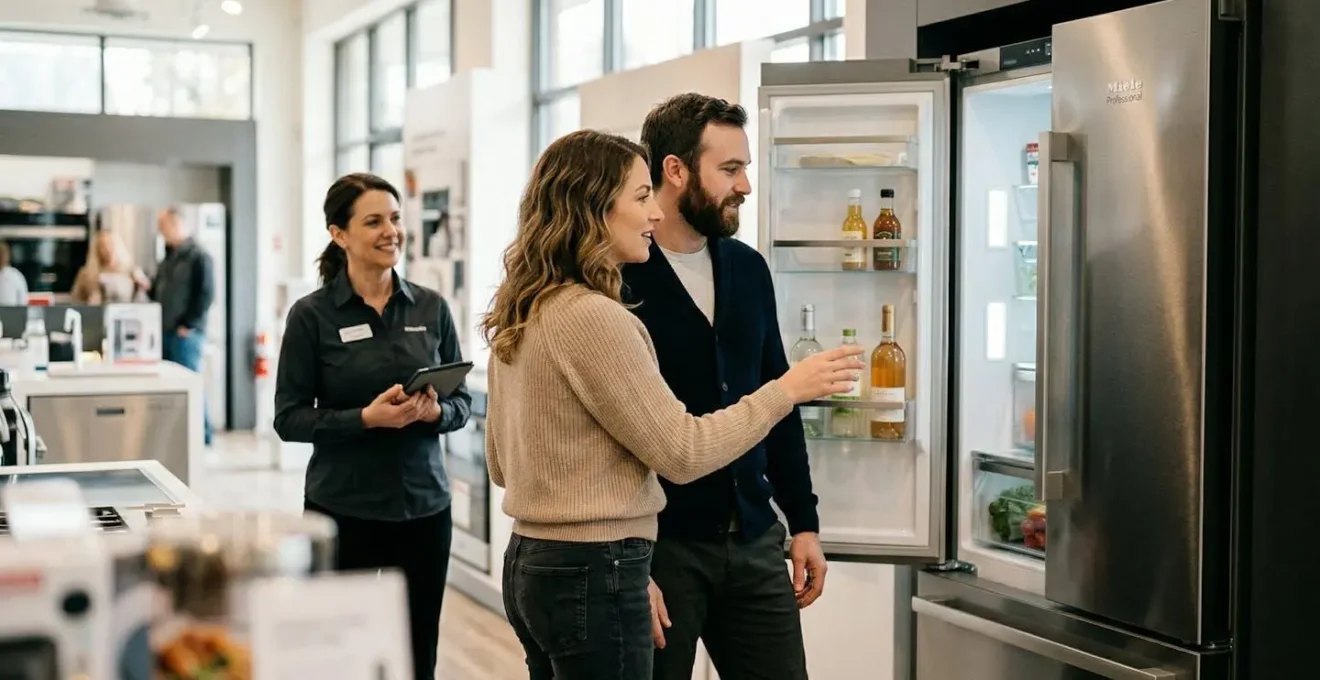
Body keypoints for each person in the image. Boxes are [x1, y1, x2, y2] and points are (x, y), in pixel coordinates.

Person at [480, 129, 864, 679]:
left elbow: (501, 463)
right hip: (601, 564)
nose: (653, 214)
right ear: (593, 207)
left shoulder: (527, 307)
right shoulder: (597, 316)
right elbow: (682, 452)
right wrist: (788, 390)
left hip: (536, 563)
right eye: (640, 197)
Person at [624, 93, 825, 680]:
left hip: (755, 538)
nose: (745, 186)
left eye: (746, 169)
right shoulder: (618, 276)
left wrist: (803, 521)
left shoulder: (747, 268)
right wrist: (629, 563)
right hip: (662, 548)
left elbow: (777, 402)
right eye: (730, 170)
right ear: (676, 170)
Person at [273, 172, 471, 680]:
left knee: (417, 651)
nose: (392, 231)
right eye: (374, 221)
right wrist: (365, 418)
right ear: (339, 235)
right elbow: (288, 417)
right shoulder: (311, 316)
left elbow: (461, 403)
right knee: (341, 653)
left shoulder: (431, 307)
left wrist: (435, 412)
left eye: (396, 218)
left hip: (424, 511)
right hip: (343, 512)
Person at [138, 207, 215, 445]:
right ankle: (179, 437)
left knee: (191, 385)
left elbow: (206, 294)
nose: (162, 233)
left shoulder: (199, 256)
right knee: (171, 387)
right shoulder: (168, 258)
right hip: (164, 332)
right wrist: (145, 285)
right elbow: (158, 293)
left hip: (185, 335)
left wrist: (187, 324)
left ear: (176, 224)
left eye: (164, 228)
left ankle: (203, 438)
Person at [71, 228, 149, 303]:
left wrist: (140, 285)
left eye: (110, 244)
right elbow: (75, 301)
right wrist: (89, 304)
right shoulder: (86, 274)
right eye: (102, 246)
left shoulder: (130, 270)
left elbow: (143, 296)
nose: (107, 249)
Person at [0, 240, 27, 305]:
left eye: (4, 253)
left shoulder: (16, 276)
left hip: (12, 314)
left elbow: (22, 303)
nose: (2, 257)